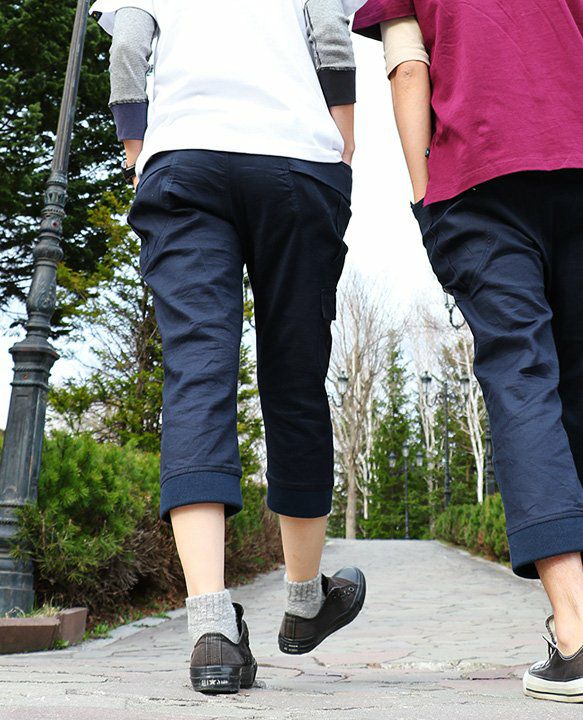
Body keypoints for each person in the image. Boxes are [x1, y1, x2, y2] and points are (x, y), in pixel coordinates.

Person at [354, 0, 583, 704]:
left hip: (482, 183)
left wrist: (423, 193)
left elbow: (408, 70)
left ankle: (576, 636)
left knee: (522, 377)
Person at [91, 0, 368, 695]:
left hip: (184, 157)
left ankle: (211, 626)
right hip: (296, 159)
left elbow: (128, 45)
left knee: (196, 373)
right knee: (295, 376)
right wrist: (342, 138)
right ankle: (304, 600)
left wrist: (136, 147)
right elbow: (330, 36)